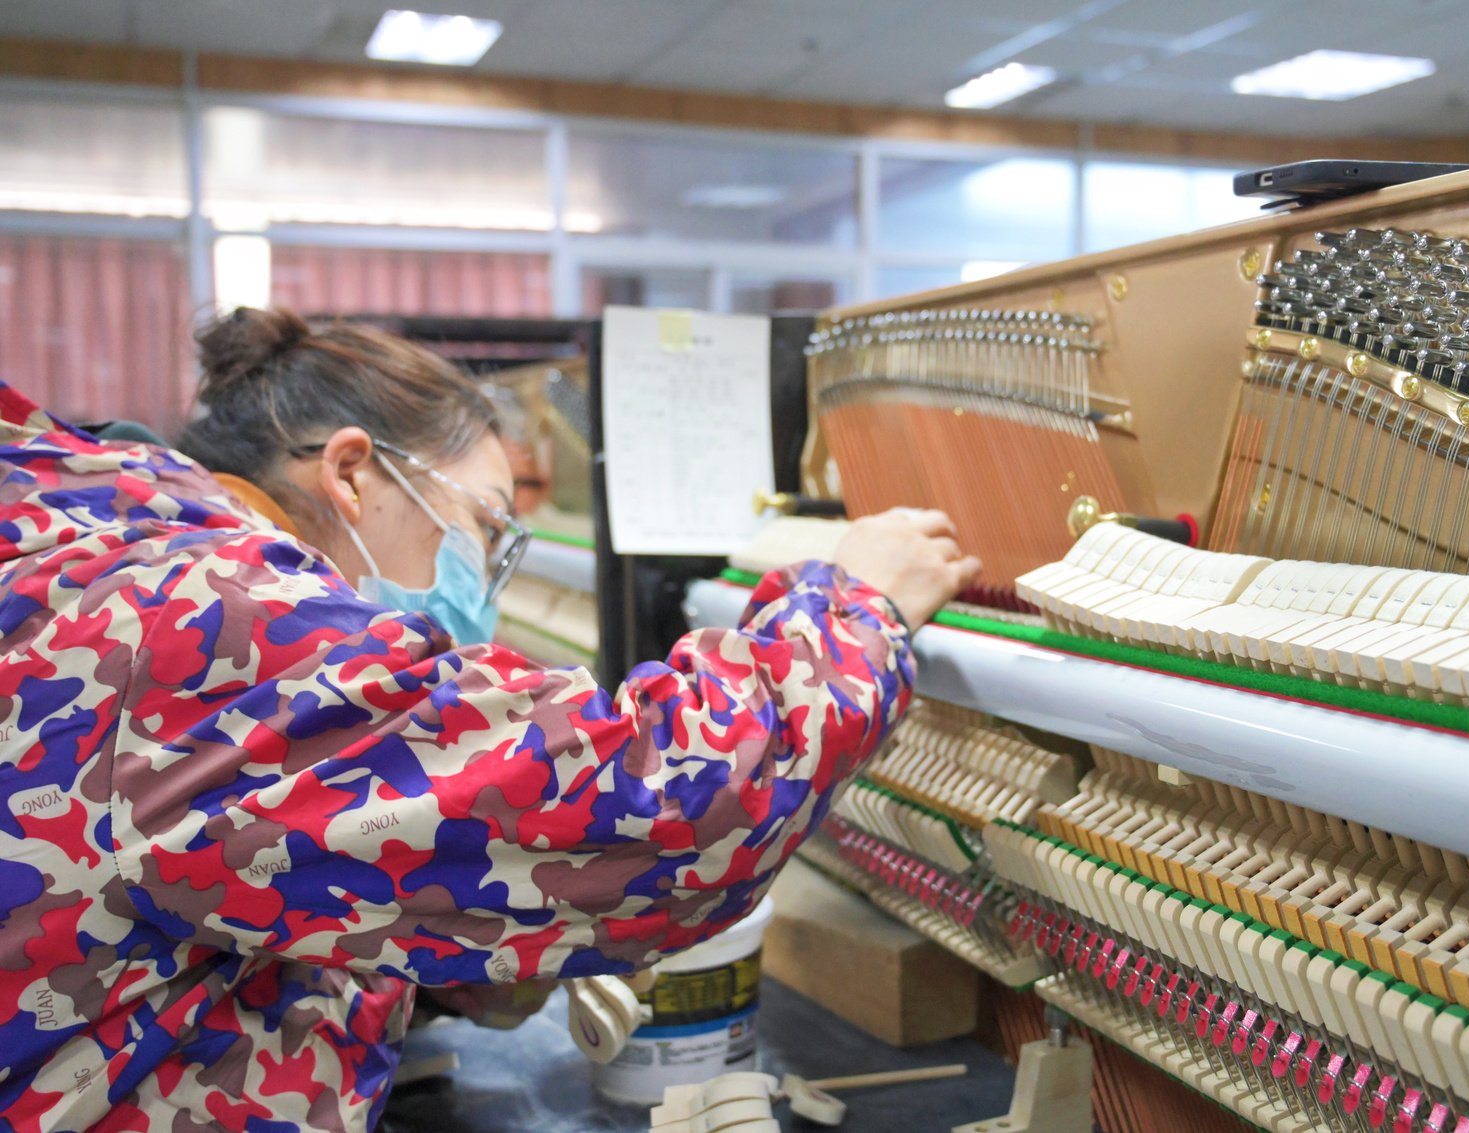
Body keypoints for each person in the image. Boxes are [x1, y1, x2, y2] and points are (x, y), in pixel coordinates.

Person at [0, 307, 980, 1133]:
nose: (485, 580)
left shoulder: (93, 548)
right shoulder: (211, 618)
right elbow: (667, 804)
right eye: (485, 527)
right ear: (352, 473)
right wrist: (854, 609)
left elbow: (182, 880)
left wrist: (427, 961)